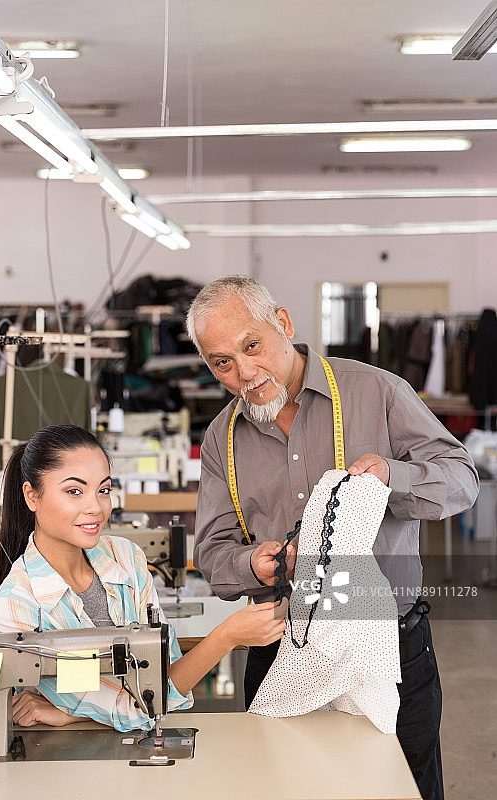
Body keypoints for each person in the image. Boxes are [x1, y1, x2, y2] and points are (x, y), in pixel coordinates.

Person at [187, 275, 479, 800]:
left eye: (251, 346)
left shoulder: (378, 391)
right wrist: (258, 565)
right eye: (220, 362)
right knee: (284, 788)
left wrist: (394, 477)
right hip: (281, 650)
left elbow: (461, 480)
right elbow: (211, 551)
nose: (243, 373)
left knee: (405, 788)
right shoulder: (220, 438)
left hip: (389, 648)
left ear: (283, 323)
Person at [0, 424, 286, 732]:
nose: (96, 508)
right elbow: (144, 705)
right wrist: (226, 637)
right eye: (74, 491)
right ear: (31, 496)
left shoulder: (126, 558)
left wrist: (71, 713)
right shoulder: (16, 608)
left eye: (103, 490)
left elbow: (165, 677)